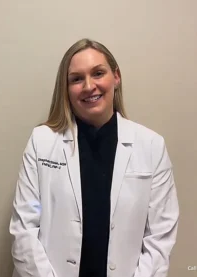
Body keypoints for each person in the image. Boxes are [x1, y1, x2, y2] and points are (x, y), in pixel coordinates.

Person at [9, 38, 179, 277]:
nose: (89, 86)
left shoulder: (151, 146)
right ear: (66, 89)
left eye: (98, 73)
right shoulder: (42, 141)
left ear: (116, 77)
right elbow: (25, 227)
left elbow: (160, 237)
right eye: (77, 79)